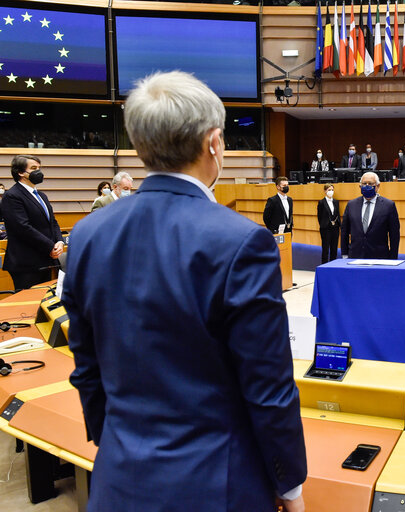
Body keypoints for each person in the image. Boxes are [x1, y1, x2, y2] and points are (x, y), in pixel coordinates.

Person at [61, 71, 307, 512]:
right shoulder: (242, 241)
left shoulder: (86, 235)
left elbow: (87, 370)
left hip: (118, 480)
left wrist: (117, 448)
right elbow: (268, 387)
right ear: (214, 143)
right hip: (217, 486)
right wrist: (290, 486)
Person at [1, 155, 64, 290]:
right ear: (20, 172)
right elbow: (22, 227)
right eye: (34, 168)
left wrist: (59, 241)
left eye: (39, 168)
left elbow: (52, 222)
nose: (38, 172)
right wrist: (50, 246)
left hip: (46, 259)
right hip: (26, 263)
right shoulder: (12, 196)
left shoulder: (41, 196)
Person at [340, 171, 400, 259]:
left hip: (380, 257)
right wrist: (344, 254)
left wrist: (393, 258)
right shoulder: (351, 205)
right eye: (364, 183)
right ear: (360, 186)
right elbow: (344, 231)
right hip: (355, 256)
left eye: (371, 183)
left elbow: (394, 235)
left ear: (378, 186)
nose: (367, 186)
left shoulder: (388, 205)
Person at [317, 183, 340, 263]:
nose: (331, 191)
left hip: (335, 228)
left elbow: (338, 214)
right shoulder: (321, 202)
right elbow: (319, 216)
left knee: (334, 249)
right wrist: (324, 225)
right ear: (325, 191)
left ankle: (333, 265)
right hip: (325, 229)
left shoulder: (336, 202)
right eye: (329, 190)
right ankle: (324, 266)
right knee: (325, 249)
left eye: (332, 190)